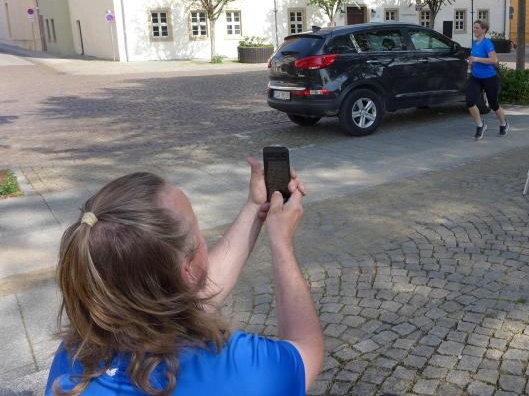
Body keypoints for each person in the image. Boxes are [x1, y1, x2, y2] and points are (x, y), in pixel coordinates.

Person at [45, 158, 324, 396]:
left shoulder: (73, 359)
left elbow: (177, 297)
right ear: (189, 268)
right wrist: (281, 242)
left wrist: (254, 207)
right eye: (196, 230)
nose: (203, 239)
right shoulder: (236, 366)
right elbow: (307, 350)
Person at [467, 19, 508, 140]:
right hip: (476, 77)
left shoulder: (487, 43)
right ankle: (480, 125)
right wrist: (471, 62)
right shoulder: (474, 43)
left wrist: (477, 59)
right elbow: (474, 59)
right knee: (470, 102)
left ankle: (503, 124)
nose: (475, 30)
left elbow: (494, 60)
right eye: (474, 27)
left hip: (489, 78)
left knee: (493, 104)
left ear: (484, 30)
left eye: (477, 28)